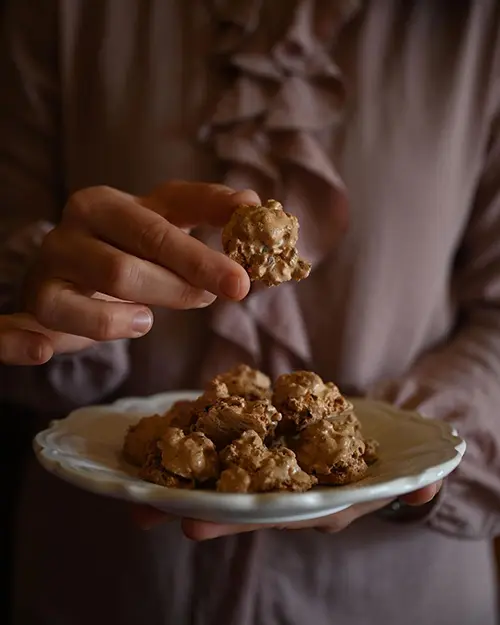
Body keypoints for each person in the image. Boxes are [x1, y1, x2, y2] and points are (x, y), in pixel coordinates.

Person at [1, 1, 499, 624]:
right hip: (107, 583)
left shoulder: (474, 26)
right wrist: (37, 292)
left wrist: (405, 458)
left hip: (396, 596)